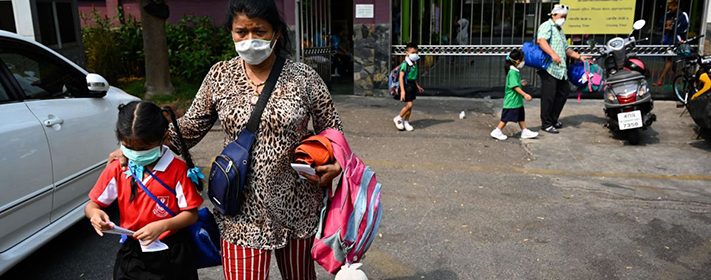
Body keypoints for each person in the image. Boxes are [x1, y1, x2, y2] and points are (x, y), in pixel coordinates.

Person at [109, 1, 343, 279]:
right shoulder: (220, 76)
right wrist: (140, 145)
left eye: (259, 31)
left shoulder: (303, 77)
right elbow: (192, 126)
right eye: (241, 32)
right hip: (238, 208)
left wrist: (334, 162)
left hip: (295, 205)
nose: (249, 40)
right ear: (231, 32)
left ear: (277, 32)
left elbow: (331, 128)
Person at [86, 101, 204, 280]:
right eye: (129, 148)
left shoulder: (178, 170)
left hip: (173, 254)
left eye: (143, 149)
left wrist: (164, 225)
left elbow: (191, 214)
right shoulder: (118, 168)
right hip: (133, 255)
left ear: (164, 136)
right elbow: (92, 205)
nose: (136, 154)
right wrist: (95, 214)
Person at [536, 4, 587, 134]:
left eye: (565, 17)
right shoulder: (546, 26)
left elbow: (566, 49)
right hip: (549, 68)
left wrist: (579, 56)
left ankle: (553, 119)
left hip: (560, 70)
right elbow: (541, 41)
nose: (564, 19)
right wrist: (553, 54)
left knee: (564, 92)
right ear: (553, 15)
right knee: (549, 96)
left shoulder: (559, 29)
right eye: (562, 16)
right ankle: (546, 123)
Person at [490, 50, 539, 140]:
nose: (523, 62)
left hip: (516, 100)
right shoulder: (513, 72)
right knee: (506, 118)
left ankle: (524, 131)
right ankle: (497, 131)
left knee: (520, 115)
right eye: (522, 59)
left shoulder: (513, 71)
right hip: (512, 100)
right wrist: (525, 94)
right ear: (517, 61)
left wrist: (520, 82)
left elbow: (514, 83)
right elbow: (514, 86)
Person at [655, 0, 689, 86]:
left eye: (671, 6)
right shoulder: (668, 14)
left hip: (677, 40)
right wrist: (665, 25)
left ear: (676, 5)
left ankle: (661, 79)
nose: (669, 8)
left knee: (669, 59)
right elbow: (659, 24)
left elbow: (685, 28)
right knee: (667, 58)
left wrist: (673, 28)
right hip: (666, 39)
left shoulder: (683, 15)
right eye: (668, 6)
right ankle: (673, 71)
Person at [393, 42, 424, 131]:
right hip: (406, 86)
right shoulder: (405, 64)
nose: (415, 54)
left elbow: (413, 77)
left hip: (412, 85)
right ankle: (398, 118)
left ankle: (406, 121)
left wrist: (417, 86)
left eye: (416, 52)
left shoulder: (414, 63)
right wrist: (402, 90)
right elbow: (401, 78)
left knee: (410, 105)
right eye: (412, 52)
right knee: (409, 105)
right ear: (407, 53)